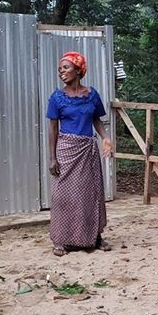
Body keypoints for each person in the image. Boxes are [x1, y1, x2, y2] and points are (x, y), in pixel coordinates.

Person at [46, 51, 113, 257]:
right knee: (62, 196)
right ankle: (61, 240)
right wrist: (52, 157)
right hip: (66, 149)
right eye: (60, 69)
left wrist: (105, 138)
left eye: (65, 68)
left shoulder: (92, 95)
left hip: (87, 150)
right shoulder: (57, 97)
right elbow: (53, 129)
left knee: (91, 195)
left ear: (78, 69)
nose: (61, 72)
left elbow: (96, 120)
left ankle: (95, 237)